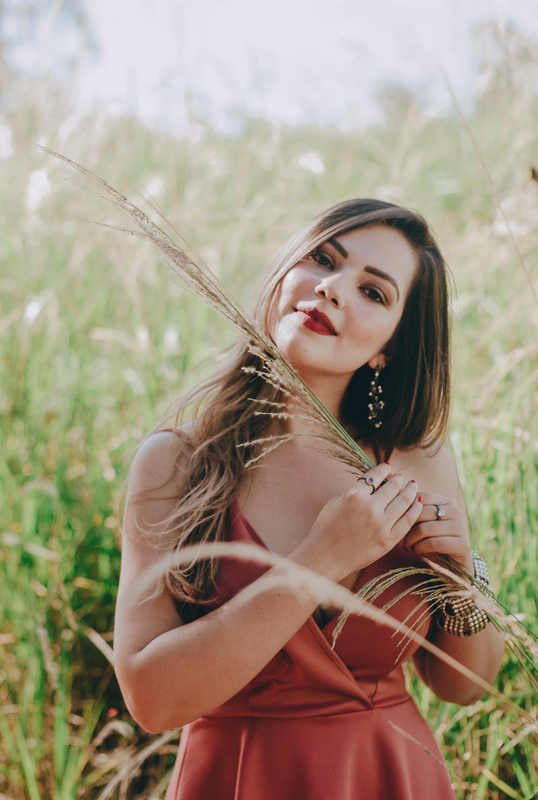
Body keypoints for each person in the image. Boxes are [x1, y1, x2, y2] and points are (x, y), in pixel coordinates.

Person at [114, 199, 506, 799]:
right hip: (239, 779)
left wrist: (462, 578)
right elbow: (151, 700)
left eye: (373, 292)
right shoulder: (177, 463)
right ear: (284, 271)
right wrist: (321, 558)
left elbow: (464, 686)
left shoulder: (417, 464)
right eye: (323, 259)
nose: (332, 289)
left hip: (387, 778)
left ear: (389, 347)